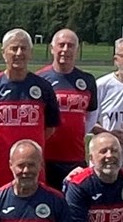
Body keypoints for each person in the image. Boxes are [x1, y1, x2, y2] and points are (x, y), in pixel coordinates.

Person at [0, 29, 59, 194]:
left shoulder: (43, 88)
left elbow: (49, 128)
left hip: (31, 174)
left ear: (31, 53)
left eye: (23, 48)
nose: (19, 53)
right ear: (4, 52)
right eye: (14, 48)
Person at [36, 29, 97, 187]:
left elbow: (91, 115)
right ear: (52, 48)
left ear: (77, 50)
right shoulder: (39, 79)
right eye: (61, 45)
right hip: (45, 158)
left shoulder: (87, 80)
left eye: (70, 45)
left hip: (75, 157)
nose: (65, 49)